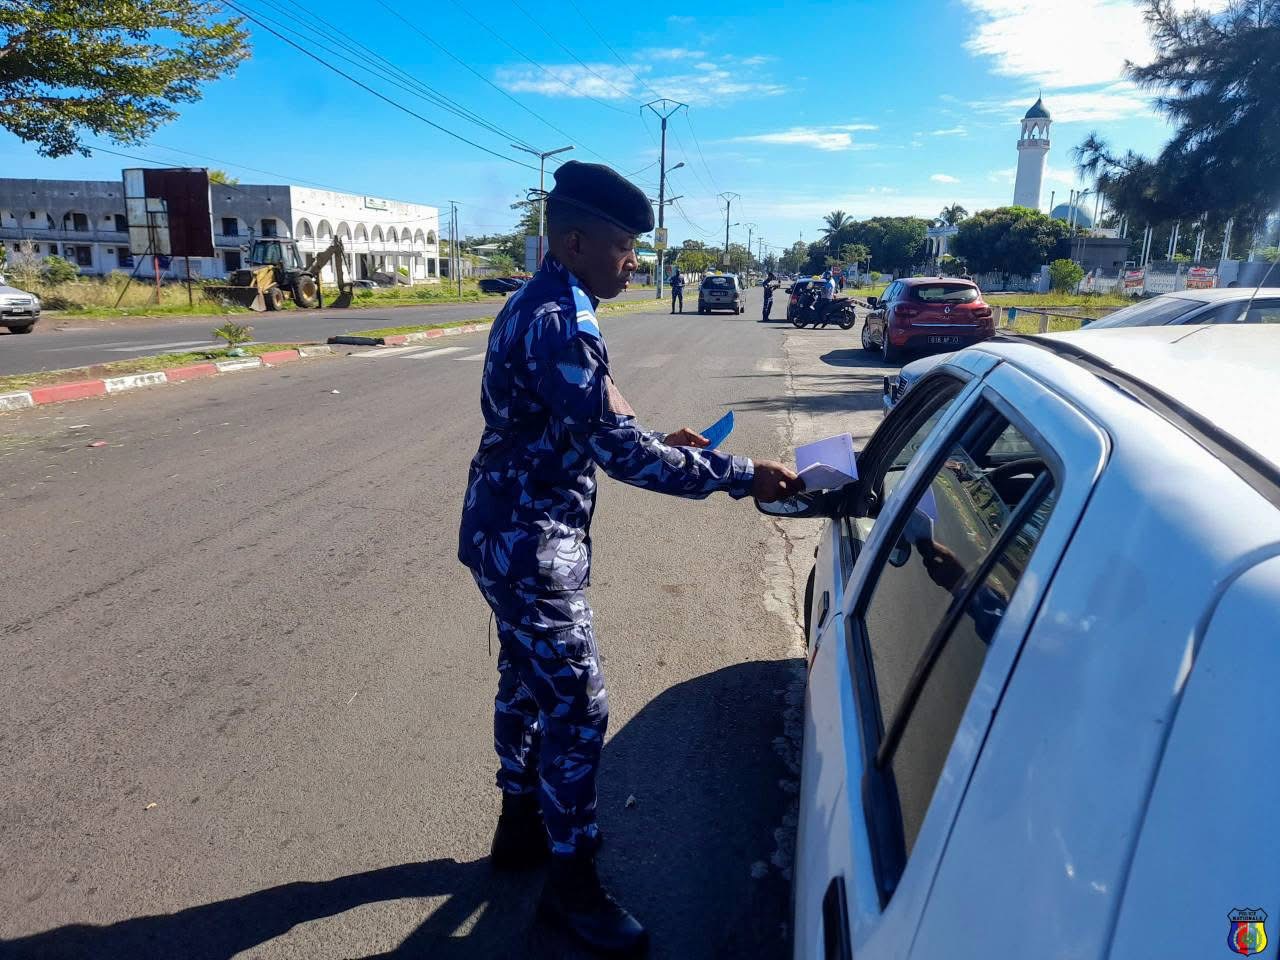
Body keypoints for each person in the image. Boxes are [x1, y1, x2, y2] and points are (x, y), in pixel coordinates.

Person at [457, 160, 799, 955]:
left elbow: (594, 424)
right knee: (577, 704)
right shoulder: (560, 319)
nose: (633, 262)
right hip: (532, 542)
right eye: (622, 248)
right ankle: (570, 889)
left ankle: (520, 825)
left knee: (524, 678)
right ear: (575, 241)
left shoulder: (545, 300)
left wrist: (660, 439)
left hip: (505, 531)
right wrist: (744, 476)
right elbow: (618, 454)